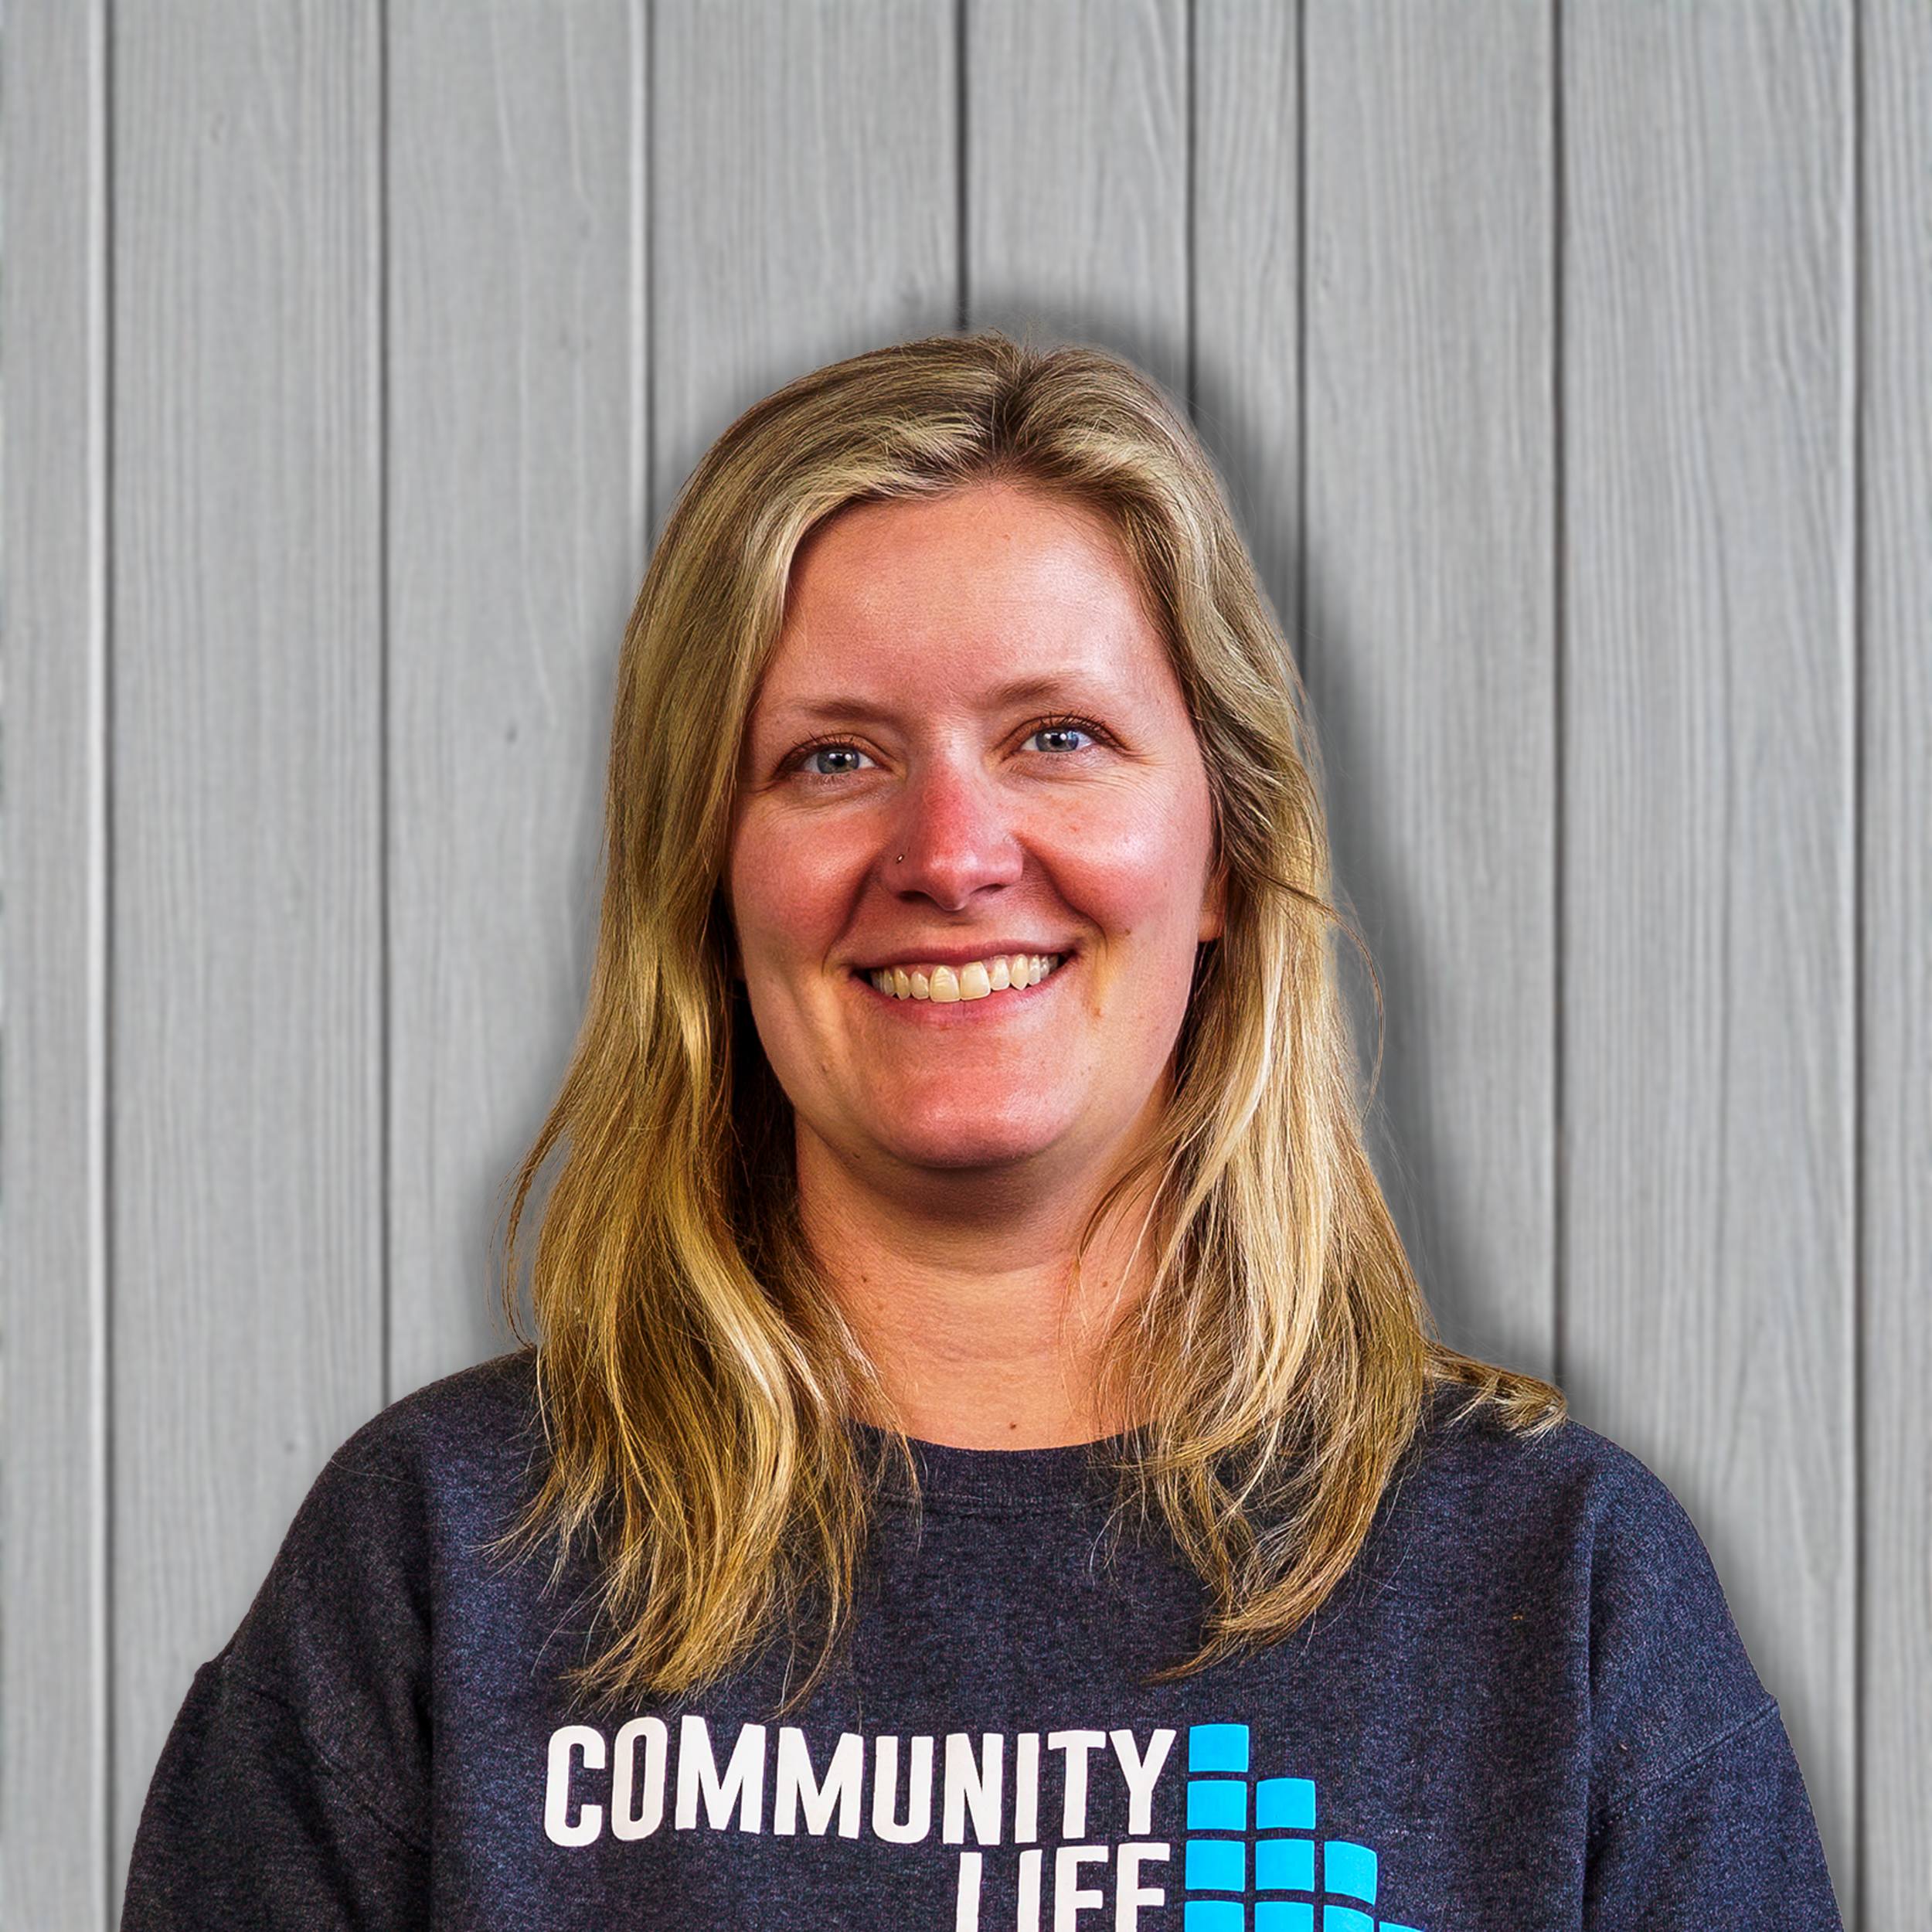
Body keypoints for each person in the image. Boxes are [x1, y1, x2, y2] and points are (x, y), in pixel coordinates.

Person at [124, 335, 1841, 1930]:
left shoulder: (1553, 1582)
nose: (951, 849)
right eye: (830, 758)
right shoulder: (439, 1560)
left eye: (1058, 736)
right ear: (709, 882)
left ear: (1227, 849)